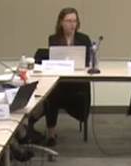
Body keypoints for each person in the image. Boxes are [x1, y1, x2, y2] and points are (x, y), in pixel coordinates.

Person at [38, 7, 93, 146]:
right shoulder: (54, 39)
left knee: (59, 93)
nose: (72, 24)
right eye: (68, 21)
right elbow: (54, 61)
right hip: (60, 82)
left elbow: (87, 62)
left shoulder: (84, 38)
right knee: (52, 94)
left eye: (75, 21)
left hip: (77, 83)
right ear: (61, 22)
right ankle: (51, 133)